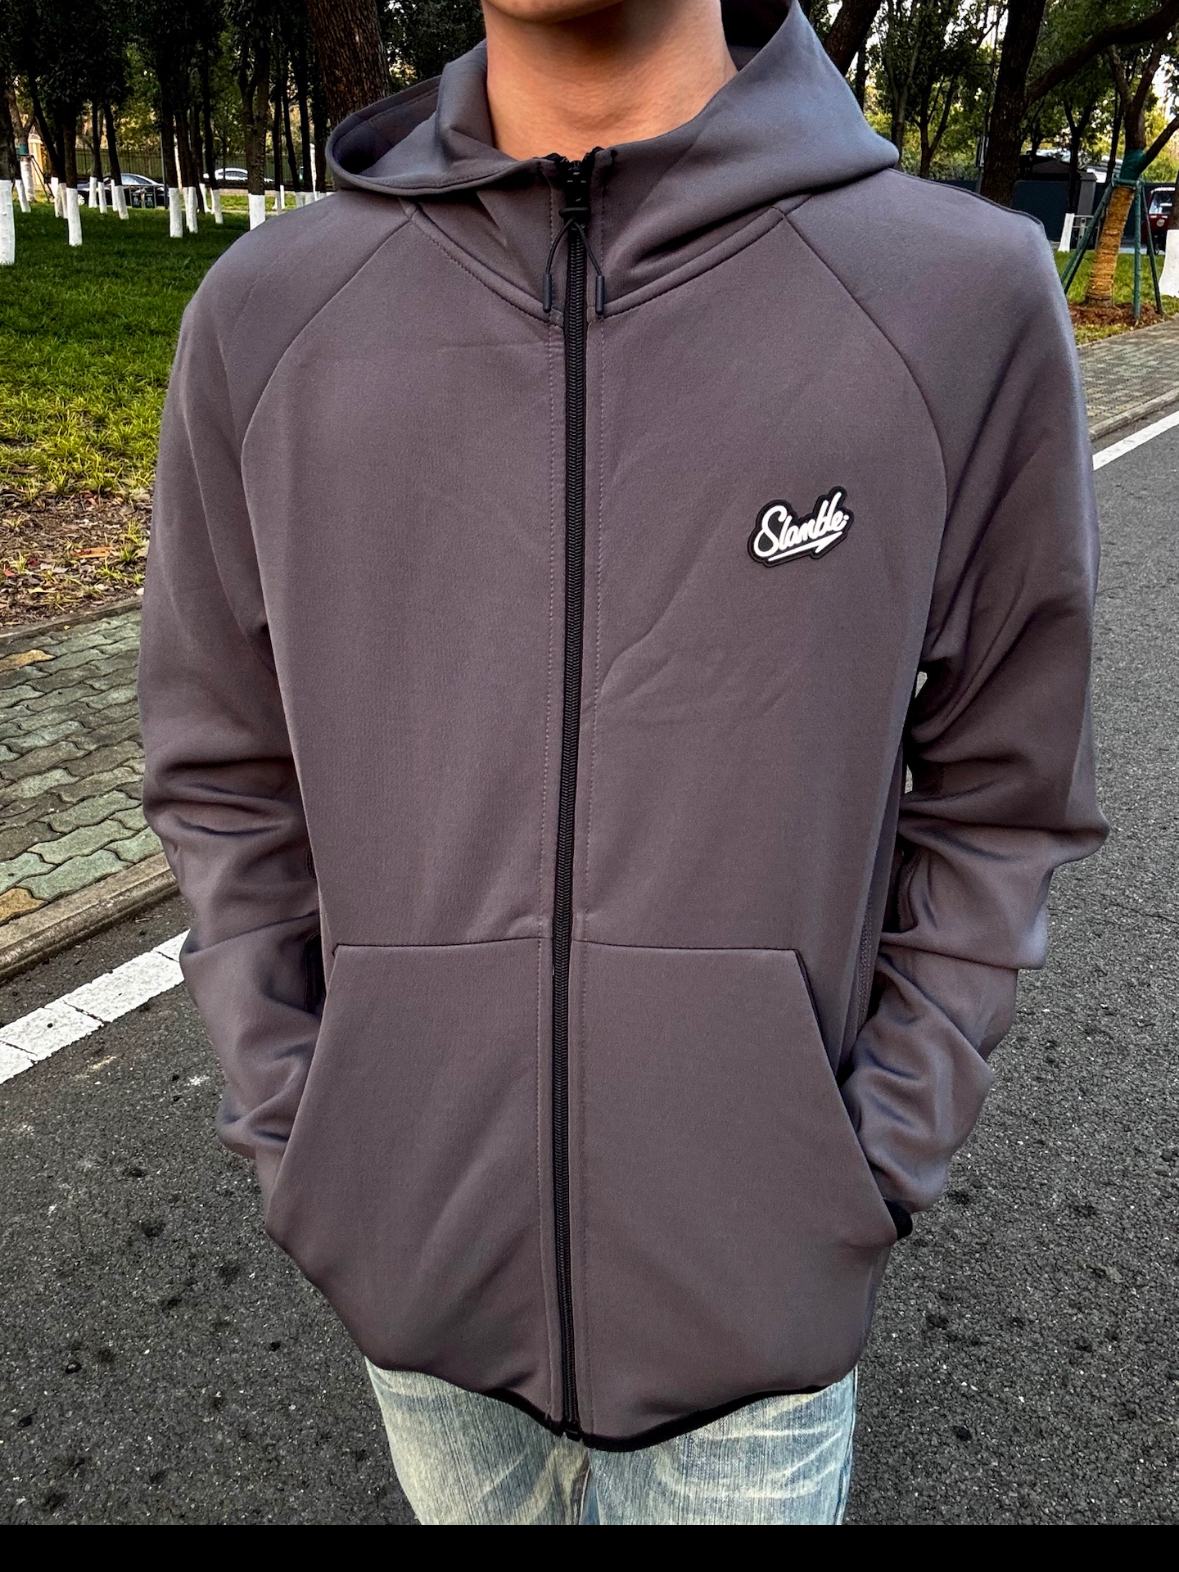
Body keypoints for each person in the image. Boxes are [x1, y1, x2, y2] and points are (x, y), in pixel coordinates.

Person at [138, 0, 1106, 1526]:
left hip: (757, 1321)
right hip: (415, 1286)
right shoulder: (268, 317)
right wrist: (309, 1138)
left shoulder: (954, 298)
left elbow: (1005, 786)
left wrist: (862, 1166)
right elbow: (221, 772)